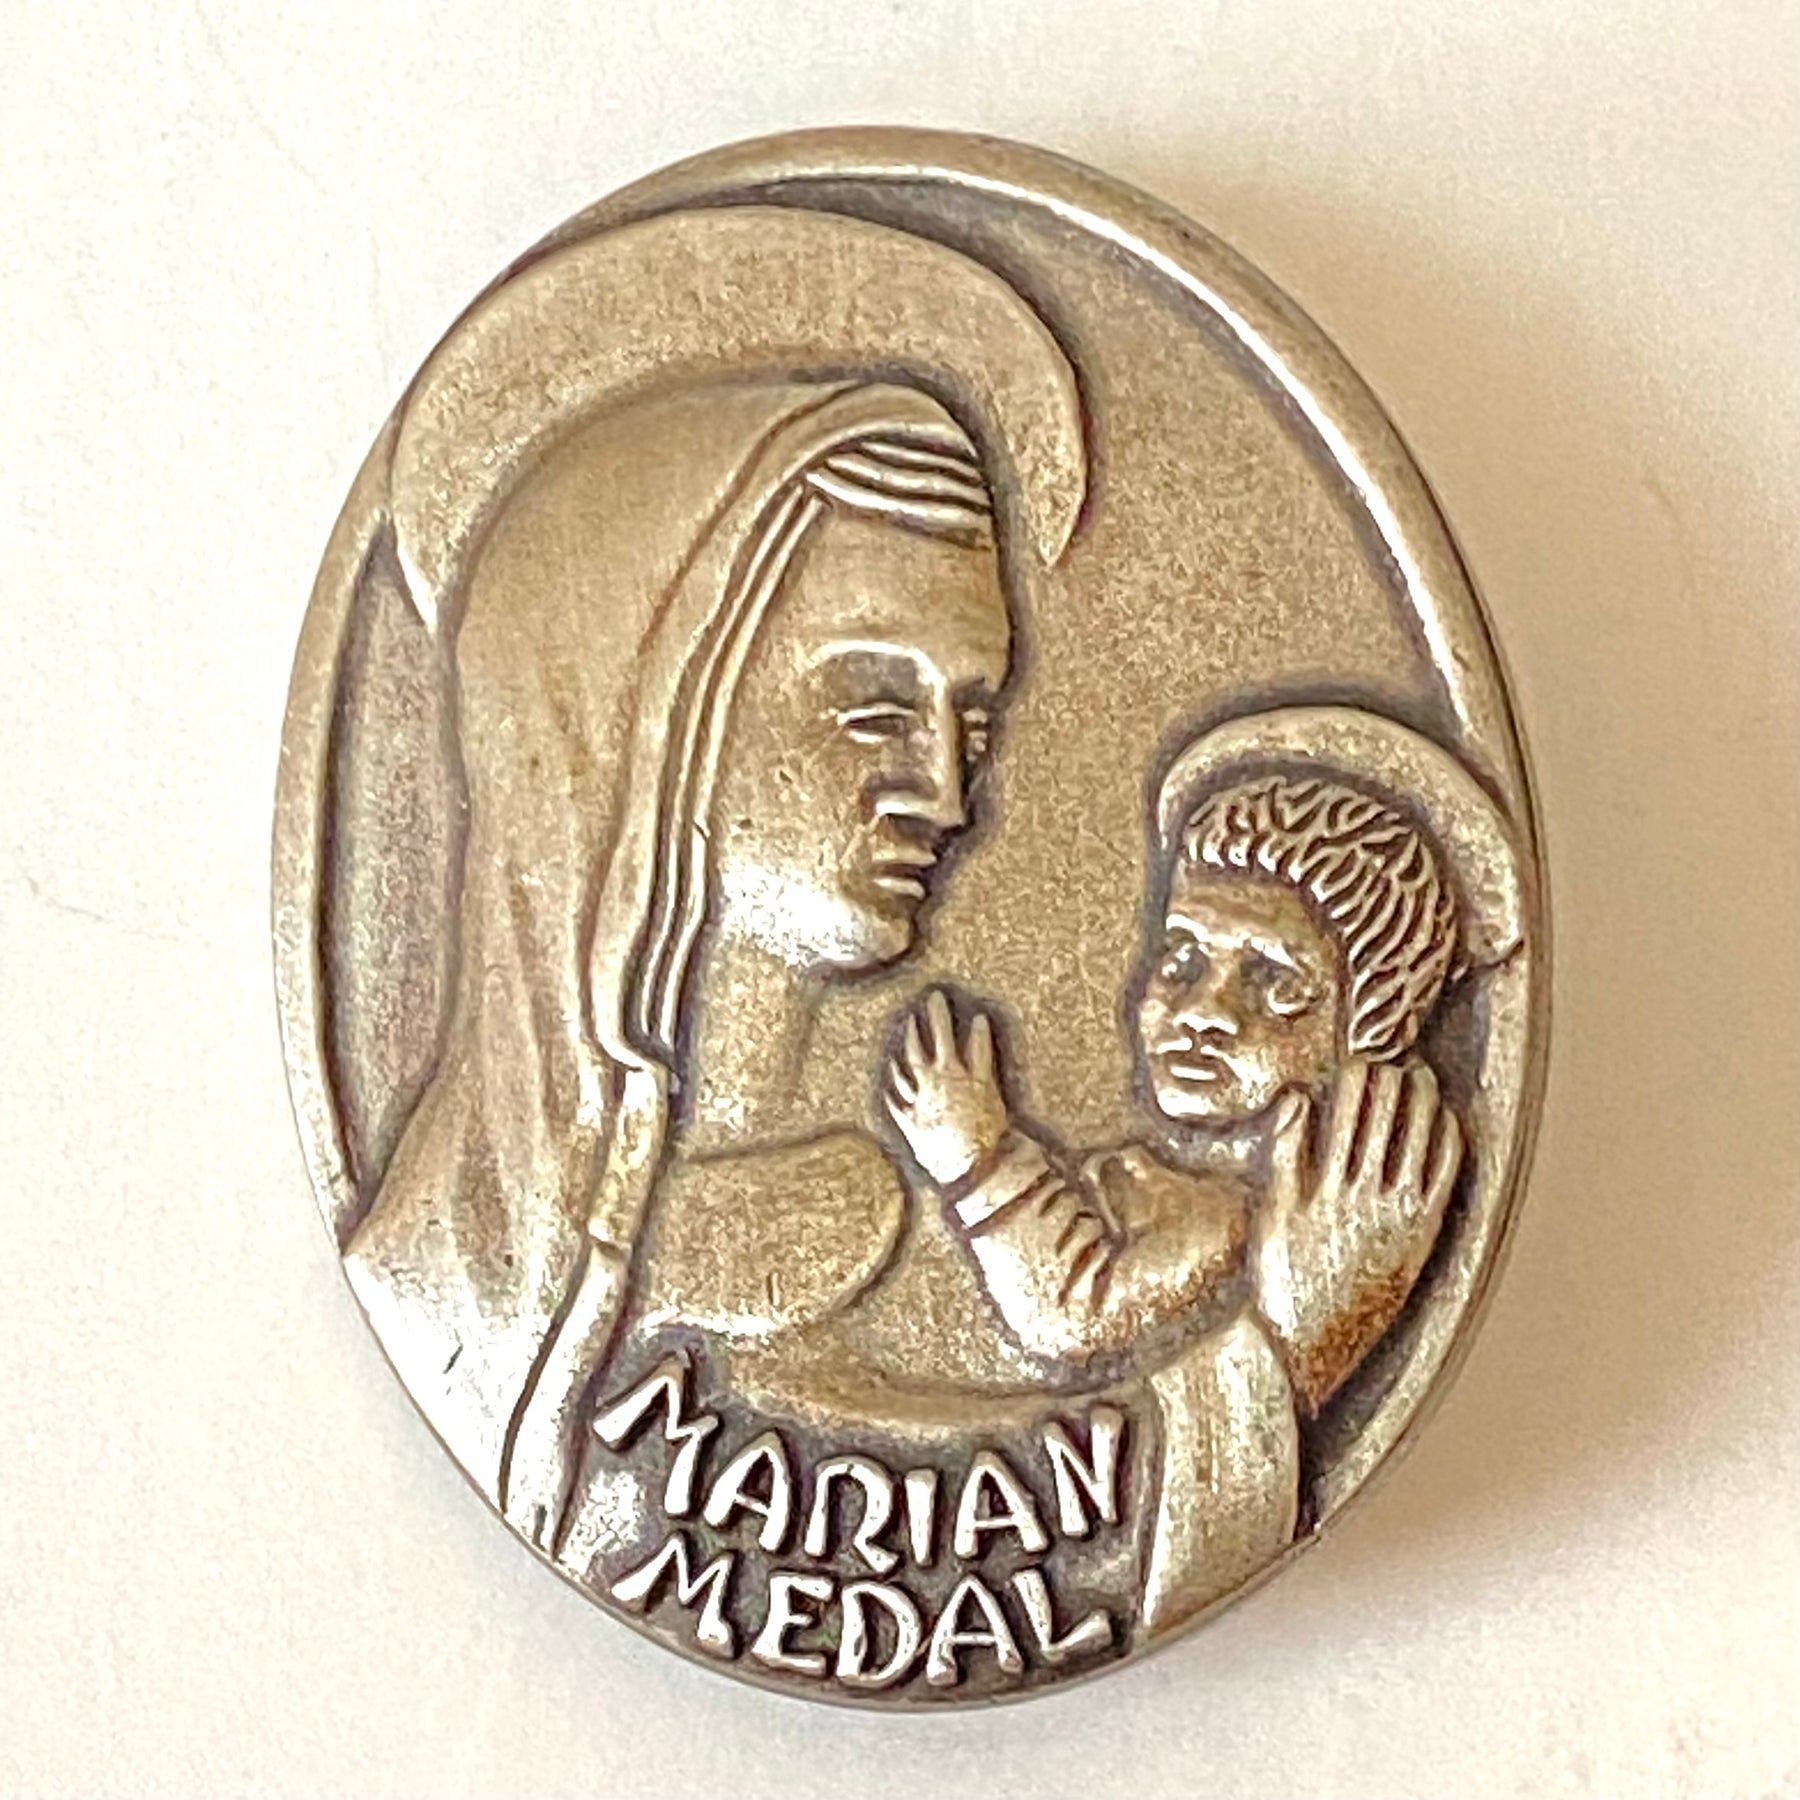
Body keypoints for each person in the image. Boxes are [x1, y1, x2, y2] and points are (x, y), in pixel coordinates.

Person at [339, 204, 1090, 1552]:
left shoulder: (961, 1186)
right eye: (873, 708)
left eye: (974, 721)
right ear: (645, 718)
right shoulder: (464, 1272)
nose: (947, 793)